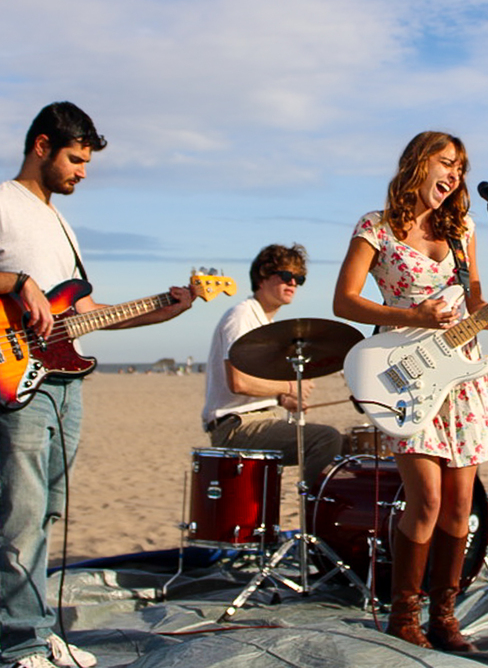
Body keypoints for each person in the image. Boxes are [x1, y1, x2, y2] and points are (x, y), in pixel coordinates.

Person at [0, 102, 195, 668]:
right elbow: (24, 289)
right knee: (18, 514)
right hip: (16, 378)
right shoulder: (4, 202)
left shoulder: (61, 223)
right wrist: (18, 282)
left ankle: (35, 629)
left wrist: (163, 310)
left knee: (45, 513)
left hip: (64, 381)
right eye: (75, 159)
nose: (83, 172)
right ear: (42, 146)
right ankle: (19, 645)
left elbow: (83, 313)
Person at [333, 131, 488, 651]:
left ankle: (445, 616)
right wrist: (412, 315)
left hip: (460, 376)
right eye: (446, 162)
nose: (455, 175)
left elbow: (475, 302)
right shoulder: (376, 227)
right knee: (427, 501)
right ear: (418, 164)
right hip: (404, 373)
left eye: (460, 167)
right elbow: (344, 301)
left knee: (461, 506)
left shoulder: (462, 230)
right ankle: (403, 616)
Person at [202, 244, 342, 487]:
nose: (293, 283)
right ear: (262, 276)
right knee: (326, 439)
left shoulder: (265, 323)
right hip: (237, 426)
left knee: (347, 445)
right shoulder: (242, 316)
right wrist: (290, 387)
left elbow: (254, 385)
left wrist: (282, 399)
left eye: (299, 279)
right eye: (286, 275)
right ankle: (313, 507)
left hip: (259, 419)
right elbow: (238, 382)